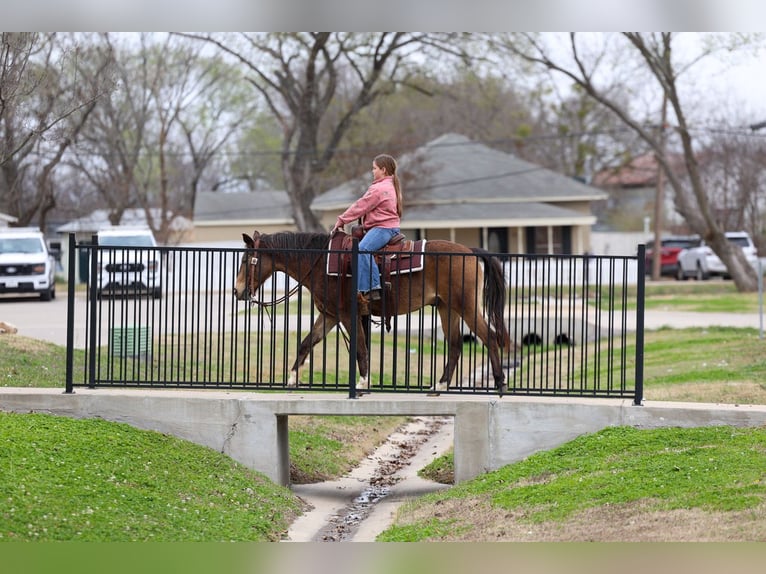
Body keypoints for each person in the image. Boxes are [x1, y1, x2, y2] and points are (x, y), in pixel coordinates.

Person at [331, 153, 402, 301]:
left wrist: (342, 220)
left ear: (383, 170)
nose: (372, 171)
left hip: (383, 228)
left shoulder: (379, 189)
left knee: (362, 249)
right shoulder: (390, 185)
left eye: (374, 168)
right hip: (389, 227)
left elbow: (360, 206)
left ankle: (372, 287)